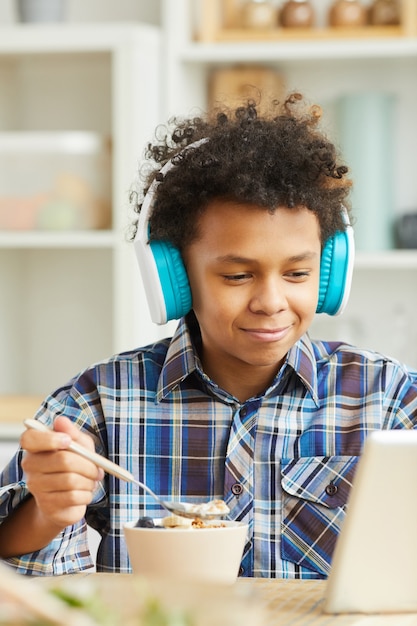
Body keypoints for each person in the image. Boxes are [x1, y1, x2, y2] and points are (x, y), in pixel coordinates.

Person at [0, 93, 416, 578]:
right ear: (176, 278)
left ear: (327, 273)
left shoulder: (388, 399)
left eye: (298, 274)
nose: (272, 301)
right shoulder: (101, 401)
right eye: (238, 276)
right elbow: (17, 566)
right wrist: (50, 511)